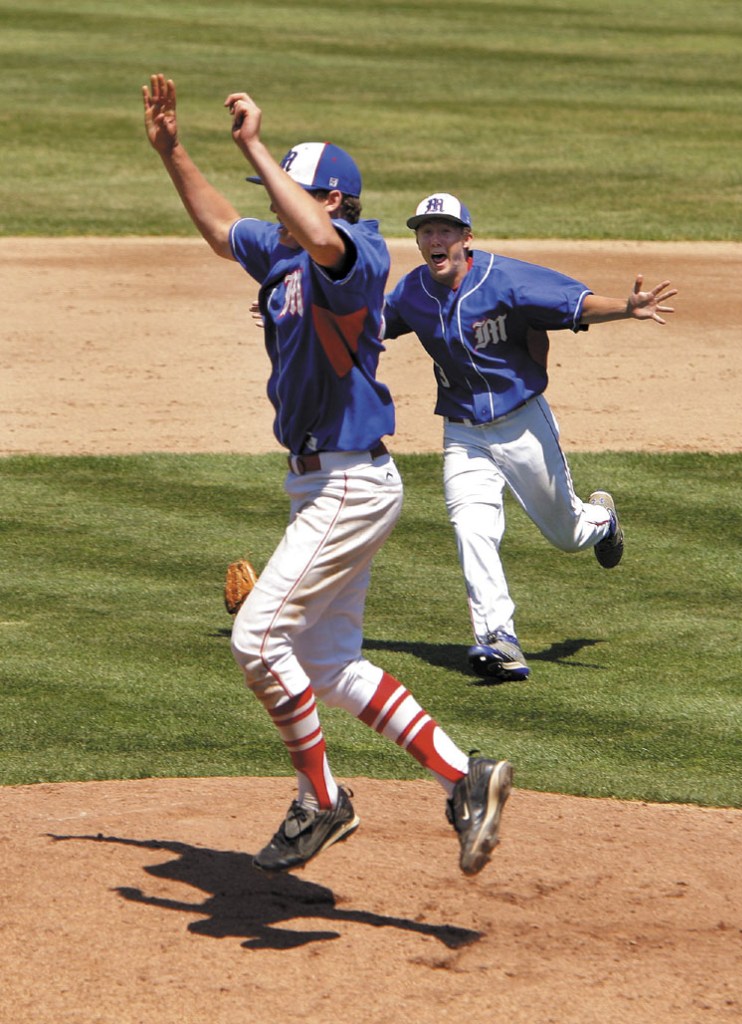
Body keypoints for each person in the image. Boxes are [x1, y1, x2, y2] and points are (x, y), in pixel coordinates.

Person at [141, 79, 513, 875]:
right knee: (329, 667)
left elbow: (320, 238)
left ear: (332, 198)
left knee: (257, 639)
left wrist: (252, 145)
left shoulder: (361, 251)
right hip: (322, 485)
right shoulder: (279, 249)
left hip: (350, 480)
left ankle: (321, 801)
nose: (273, 209)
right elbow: (218, 228)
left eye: (288, 194)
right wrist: (173, 151)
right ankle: (466, 778)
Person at [382, 193, 677, 683]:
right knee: (471, 528)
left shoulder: (506, 278)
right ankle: (500, 639)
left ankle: (602, 518)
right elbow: (367, 327)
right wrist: (297, 322)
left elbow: (574, 303)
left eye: (445, 230)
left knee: (568, 534)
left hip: (523, 425)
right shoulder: (412, 291)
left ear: (466, 238)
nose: (435, 239)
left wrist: (626, 308)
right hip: (463, 433)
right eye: (426, 231)